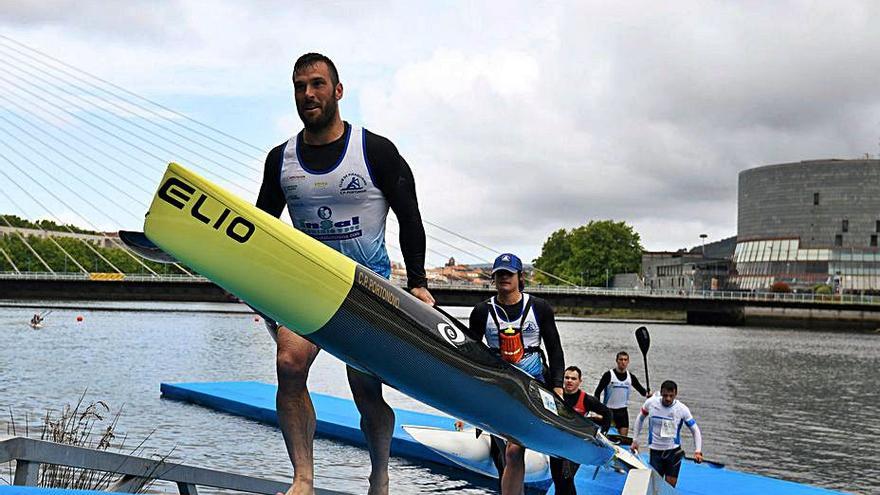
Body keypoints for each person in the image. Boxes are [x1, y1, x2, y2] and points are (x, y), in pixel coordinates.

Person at [255, 53, 435, 495]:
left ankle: (379, 474)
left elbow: (410, 217)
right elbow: (260, 224)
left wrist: (418, 283)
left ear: (338, 91)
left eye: (317, 84)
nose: (308, 94)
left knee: (365, 390)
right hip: (307, 280)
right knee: (289, 365)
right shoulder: (282, 160)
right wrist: (245, 279)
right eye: (300, 86)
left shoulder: (374, 150)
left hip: (366, 285)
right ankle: (304, 478)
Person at [466, 253, 564, 495]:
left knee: (548, 451)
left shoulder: (540, 308)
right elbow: (470, 355)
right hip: (501, 386)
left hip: (536, 385)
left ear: (521, 277)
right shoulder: (481, 312)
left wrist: (559, 386)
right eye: (499, 274)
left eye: (508, 274)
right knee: (511, 451)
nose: (503, 279)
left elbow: (554, 350)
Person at [550, 366, 611, 495]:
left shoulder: (586, 399)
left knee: (566, 480)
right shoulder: (555, 395)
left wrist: (602, 434)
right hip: (556, 446)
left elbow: (607, 413)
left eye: (573, 378)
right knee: (557, 481)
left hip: (575, 447)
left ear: (579, 381)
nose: (569, 381)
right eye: (566, 378)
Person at [631, 380, 703, 487]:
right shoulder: (651, 403)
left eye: (671, 396)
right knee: (655, 486)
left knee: (669, 488)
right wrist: (635, 440)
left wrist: (698, 451)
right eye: (665, 395)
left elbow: (695, 430)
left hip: (673, 452)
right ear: (661, 393)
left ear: (675, 394)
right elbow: (640, 418)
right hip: (655, 452)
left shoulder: (682, 409)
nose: (668, 399)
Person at [594, 351, 649, 437]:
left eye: (625, 360)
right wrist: (598, 409)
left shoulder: (630, 377)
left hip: (623, 412)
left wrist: (648, 394)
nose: (623, 362)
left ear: (628, 362)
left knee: (623, 439)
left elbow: (642, 391)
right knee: (608, 438)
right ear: (617, 361)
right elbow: (597, 392)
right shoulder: (608, 375)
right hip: (609, 411)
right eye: (621, 359)